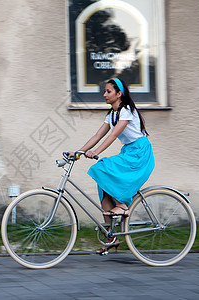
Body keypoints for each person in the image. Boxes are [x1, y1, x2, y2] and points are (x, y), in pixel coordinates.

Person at [70, 78, 155, 255]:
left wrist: (96, 152)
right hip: (129, 153)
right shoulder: (112, 114)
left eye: (108, 91)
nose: (104, 95)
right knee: (104, 189)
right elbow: (97, 135)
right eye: (105, 91)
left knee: (101, 167)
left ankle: (122, 206)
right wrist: (78, 152)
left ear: (119, 94)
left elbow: (113, 136)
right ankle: (111, 238)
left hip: (139, 153)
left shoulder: (126, 111)